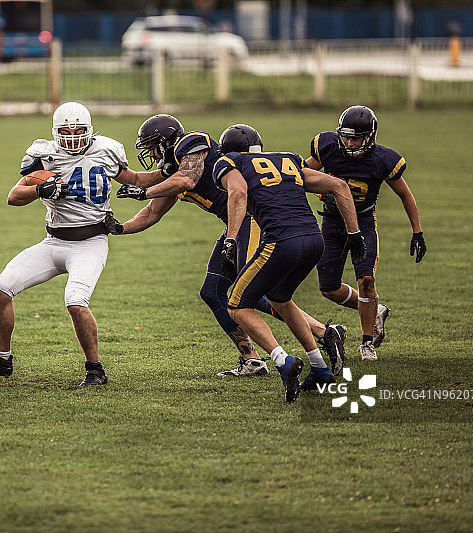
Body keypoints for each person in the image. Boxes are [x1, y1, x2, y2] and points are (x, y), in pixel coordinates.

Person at [116, 115, 349, 378]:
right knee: (213, 291)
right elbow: (151, 212)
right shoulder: (175, 172)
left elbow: (187, 181)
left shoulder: (191, 143)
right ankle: (252, 359)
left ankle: (321, 333)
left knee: (248, 293)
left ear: (167, 140)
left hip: (251, 219)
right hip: (236, 225)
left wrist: (144, 191)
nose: (150, 153)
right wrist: (118, 228)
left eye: (152, 146)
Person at [0, 102, 140, 386]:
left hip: (90, 242)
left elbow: (133, 179)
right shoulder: (46, 156)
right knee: (0, 290)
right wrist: (40, 189)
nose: (73, 136)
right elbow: (14, 196)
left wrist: (167, 175)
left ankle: (95, 369)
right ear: (55, 132)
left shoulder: (106, 150)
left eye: (79, 130)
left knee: (75, 301)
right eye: (66, 131)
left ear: (90, 130)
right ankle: (2, 359)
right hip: (54, 241)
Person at [214, 124, 366, 403]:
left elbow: (237, 193)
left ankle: (282, 360)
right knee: (280, 298)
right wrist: (354, 233)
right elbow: (338, 185)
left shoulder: (229, 161)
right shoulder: (288, 160)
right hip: (314, 241)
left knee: (237, 305)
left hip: (282, 243)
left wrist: (231, 239)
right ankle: (319, 368)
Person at [305, 105, 426, 362]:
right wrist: (318, 191)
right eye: (346, 136)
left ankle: (366, 343)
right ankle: (375, 309)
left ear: (370, 137)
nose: (349, 142)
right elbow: (304, 174)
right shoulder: (327, 146)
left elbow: (405, 194)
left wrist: (417, 231)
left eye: (355, 138)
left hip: (363, 224)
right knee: (328, 289)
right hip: (332, 223)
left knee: (366, 281)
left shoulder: (383, 160)